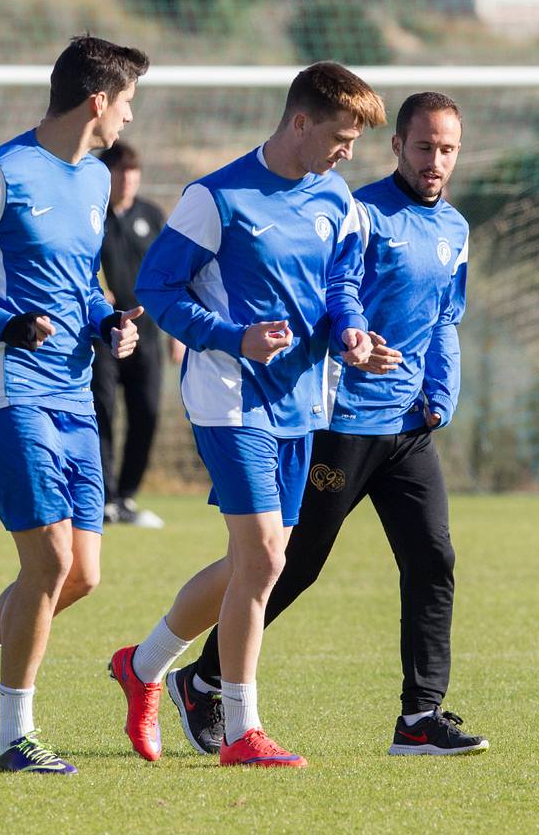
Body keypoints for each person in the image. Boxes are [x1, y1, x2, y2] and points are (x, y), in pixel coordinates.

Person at [171, 92, 487, 757]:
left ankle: (419, 718)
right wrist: (349, 341)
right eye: (424, 147)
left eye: (448, 150)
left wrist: (440, 386)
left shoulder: (455, 228)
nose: (435, 161)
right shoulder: (360, 212)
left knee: (434, 560)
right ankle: (202, 681)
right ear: (398, 146)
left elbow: (445, 319)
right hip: (337, 422)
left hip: (408, 428)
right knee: (291, 565)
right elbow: (327, 296)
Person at [106, 62, 394, 767]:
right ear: (301, 121)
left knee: (253, 560)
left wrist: (351, 335)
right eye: (341, 136)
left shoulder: (337, 199)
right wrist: (234, 339)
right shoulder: (218, 197)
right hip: (228, 397)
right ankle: (241, 730)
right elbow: (158, 288)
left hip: (303, 397)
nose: (348, 153)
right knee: (265, 557)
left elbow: (341, 284)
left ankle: (142, 668)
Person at [0, 35, 148, 774]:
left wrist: (106, 321)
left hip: (73, 390)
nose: (131, 118)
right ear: (97, 100)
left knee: (82, 574)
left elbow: (76, 282)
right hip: (5, 390)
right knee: (47, 560)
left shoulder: (95, 180)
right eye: (128, 102)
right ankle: (19, 738)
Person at [91, 142, 173, 528]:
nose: (128, 180)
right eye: (120, 172)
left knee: (148, 413)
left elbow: (174, 274)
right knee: (103, 410)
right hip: (102, 334)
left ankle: (126, 498)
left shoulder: (152, 216)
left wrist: (178, 331)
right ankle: (103, 498)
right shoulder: (89, 214)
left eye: (133, 172)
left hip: (149, 334)